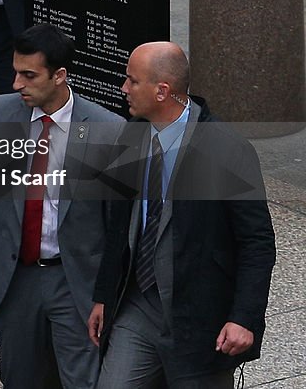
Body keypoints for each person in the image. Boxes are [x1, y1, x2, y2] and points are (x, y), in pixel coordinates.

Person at [88, 42, 276, 388]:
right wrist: (104, 294)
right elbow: (120, 225)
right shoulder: (133, 136)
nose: (123, 89)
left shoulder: (226, 149)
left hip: (199, 321)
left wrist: (243, 318)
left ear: (162, 91)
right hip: (137, 307)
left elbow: (256, 243)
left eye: (132, 81)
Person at [0, 24, 123, 388]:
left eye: (29, 75)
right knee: (19, 378)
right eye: (15, 72)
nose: (16, 84)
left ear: (59, 76)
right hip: (14, 279)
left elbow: (116, 224)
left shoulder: (106, 128)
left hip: (74, 280)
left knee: (82, 381)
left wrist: (107, 294)